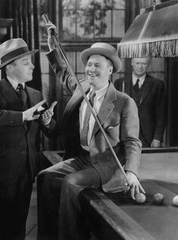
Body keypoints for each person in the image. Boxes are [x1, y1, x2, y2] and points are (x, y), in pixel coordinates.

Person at [37, 24, 144, 240]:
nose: (90, 69)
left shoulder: (124, 102)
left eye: (97, 65)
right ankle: (48, 236)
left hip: (106, 164)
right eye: (88, 65)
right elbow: (62, 70)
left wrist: (131, 172)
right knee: (44, 177)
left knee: (71, 182)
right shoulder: (81, 87)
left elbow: (132, 141)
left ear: (110, 70)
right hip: (81, 158)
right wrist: (52, 47)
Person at [0, 38, 57, 240]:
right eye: (26, 62)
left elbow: (52, 131)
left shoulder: (35, 94)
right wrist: (22, 116)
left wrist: (47, 122)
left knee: (18, 226)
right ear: (10, 67)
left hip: (25, 172)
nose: (32, 66)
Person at [114, 58, 166, 148]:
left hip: (148, 137)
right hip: (124, 135)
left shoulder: (157, 84)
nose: (140, 67)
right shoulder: (120, 83)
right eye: (137, 63)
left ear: (149, 64)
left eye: (144, 63)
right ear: (132, 63)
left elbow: (161, 114)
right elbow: (114, 113)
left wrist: (157, 138)